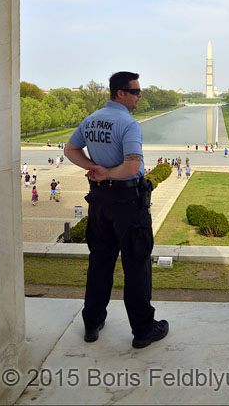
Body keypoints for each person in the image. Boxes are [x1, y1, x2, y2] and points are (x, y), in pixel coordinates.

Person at [64, 71, 168, 349]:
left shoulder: (91, 119)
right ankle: (144, 329)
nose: (139, 96)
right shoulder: (128, 124)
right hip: (127, 202)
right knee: (136, 264)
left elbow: (70, 149)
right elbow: (132, 166)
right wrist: (108, 171)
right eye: (135, 91)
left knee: (99, 263)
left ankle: (92, 322)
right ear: (120, 93)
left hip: (99, 201)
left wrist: (94, 169)